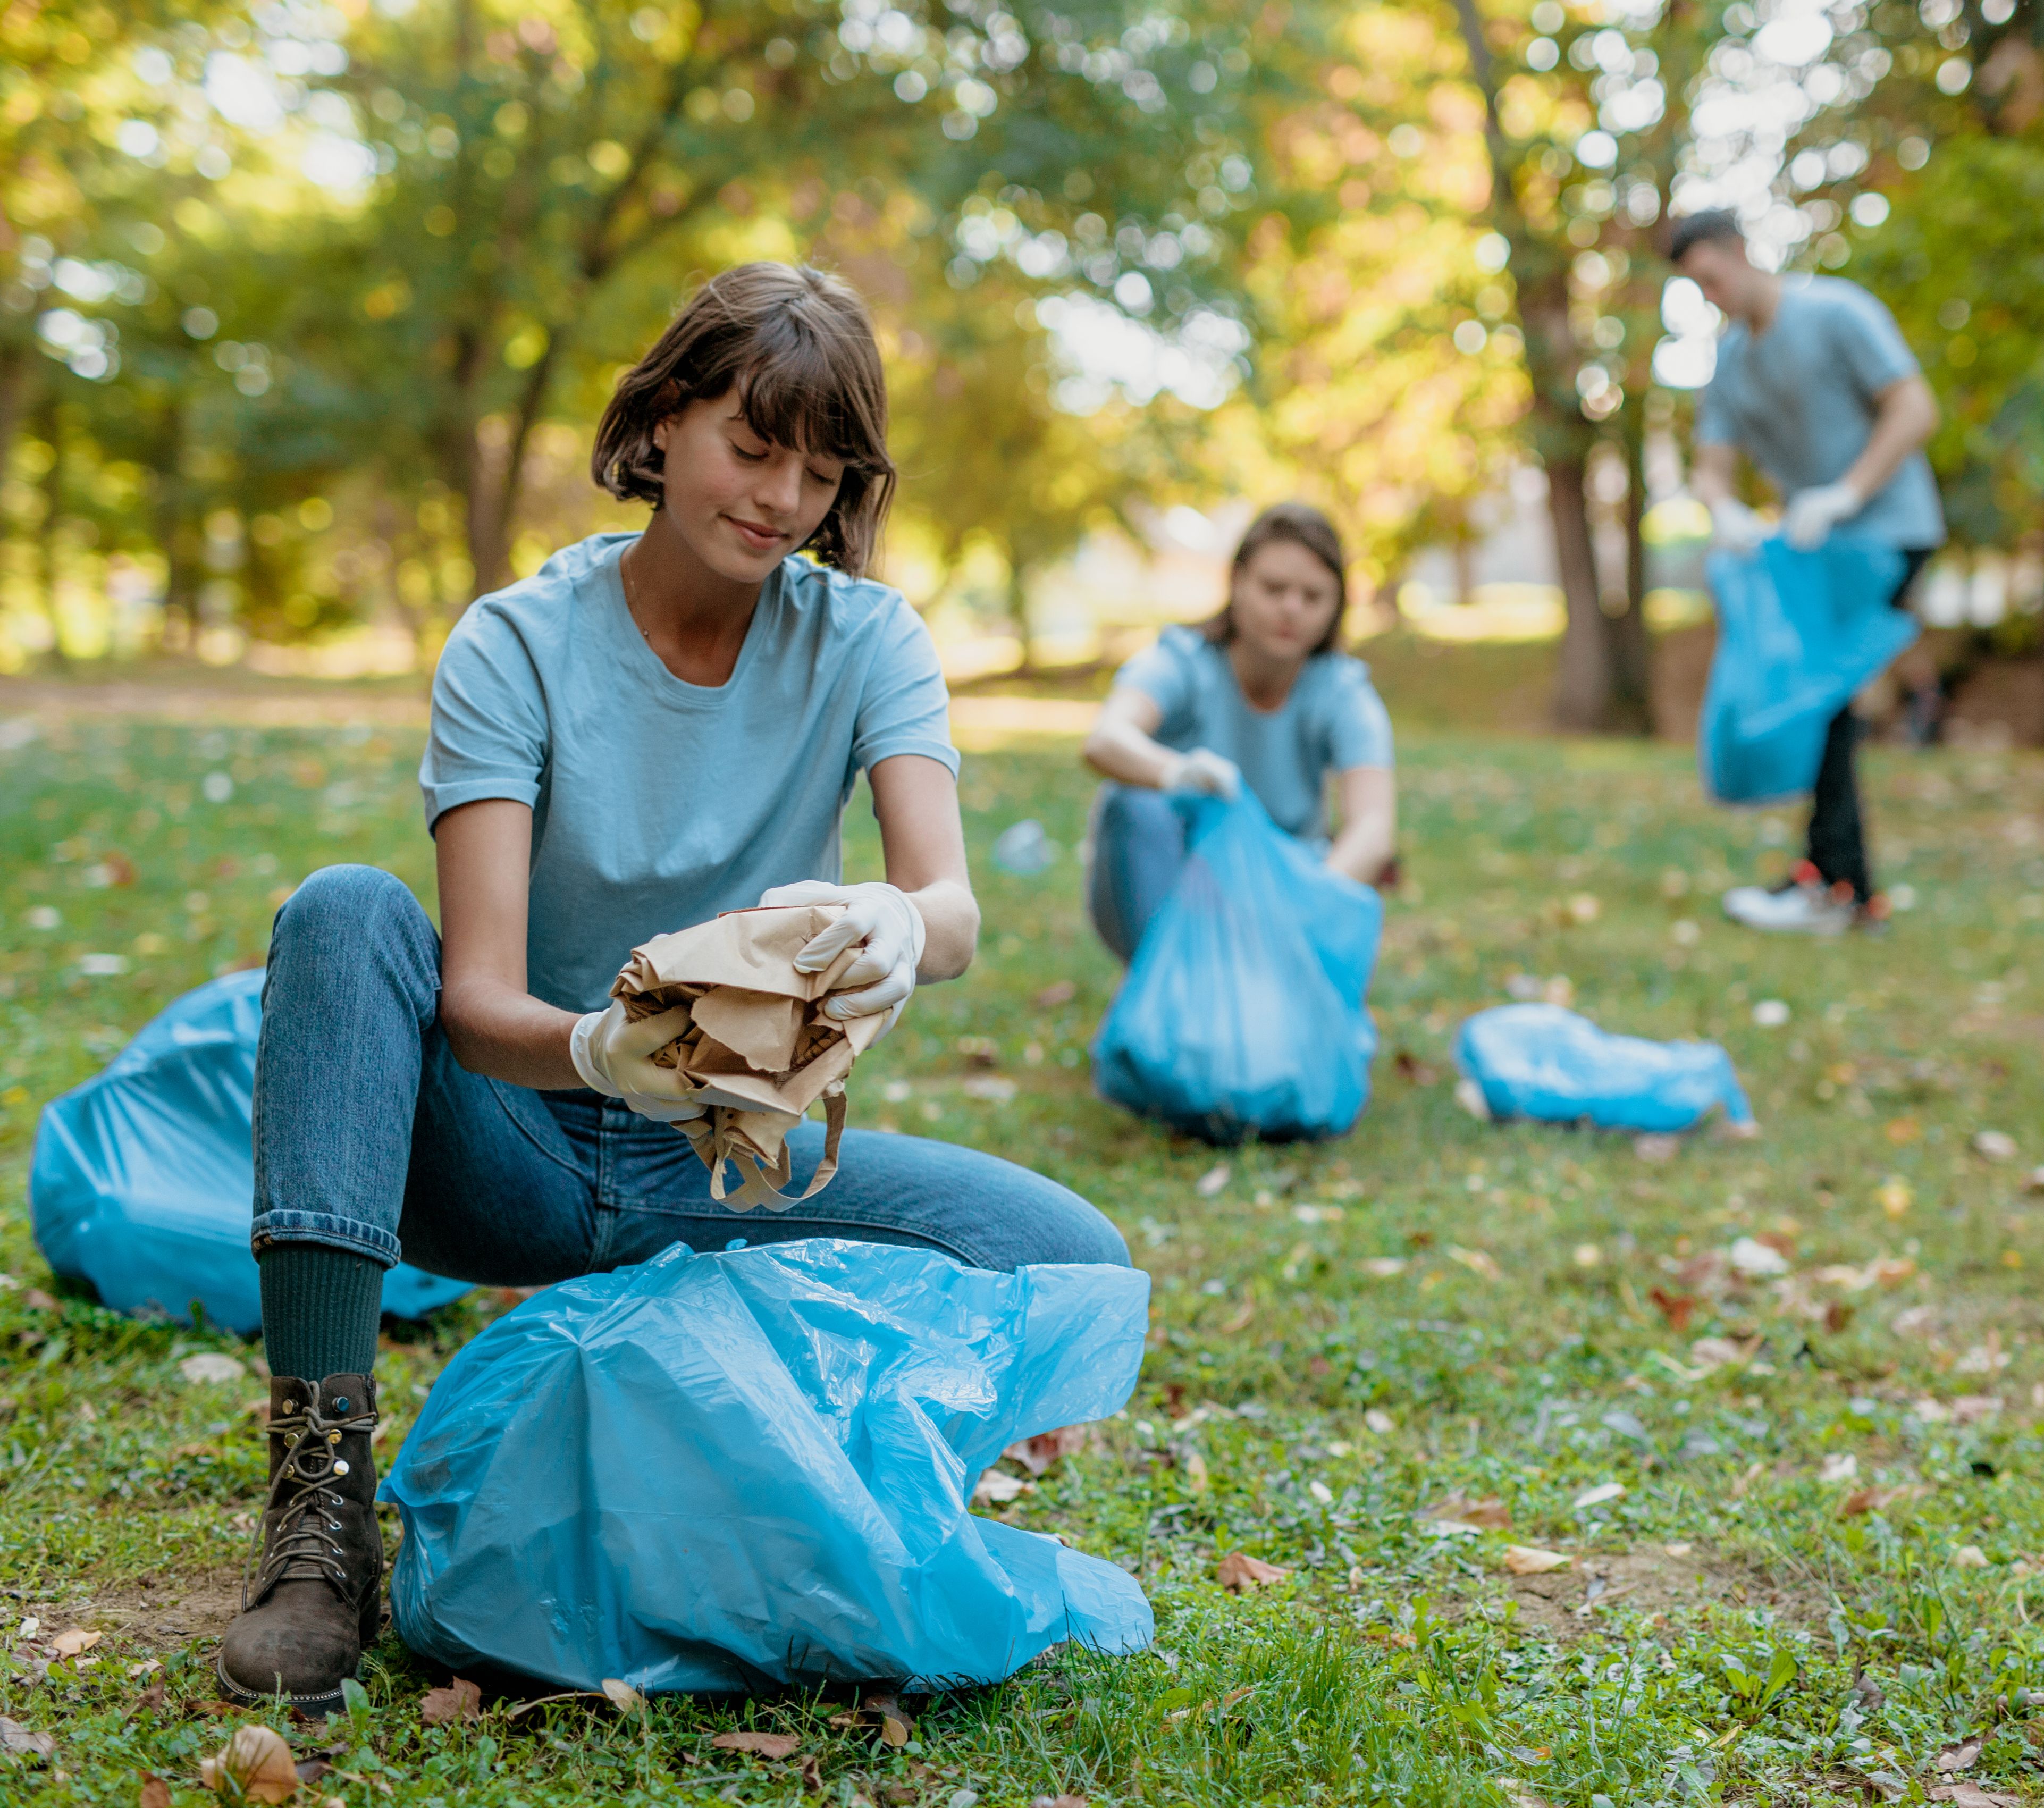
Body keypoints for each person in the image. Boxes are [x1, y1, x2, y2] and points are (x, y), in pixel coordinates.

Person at [217, 263, 1128, 1712]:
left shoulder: (864, 639)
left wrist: (901, 919)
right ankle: (319, 1519)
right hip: (508, 1146)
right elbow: (477, 999)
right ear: (659, 426)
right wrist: (598, 1048)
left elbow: (949, 907)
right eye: (750, 447)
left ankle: (813, 1443)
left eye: (821, 473)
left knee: (1068, 1253)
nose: (780, 498)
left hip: (727, 1168)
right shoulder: (516, 644)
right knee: (343, 914)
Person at [1670, 207, 1946, 935]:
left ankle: (1837, 887)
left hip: (1888, 530)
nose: (1710, 295)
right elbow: (1710, 466)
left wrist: (1848, 490)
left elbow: (1914, 408)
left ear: (1738, 252)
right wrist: (1724, 510)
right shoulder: (1731, 361)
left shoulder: (1835, 313)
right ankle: (1832, 880)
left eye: (1710, 277)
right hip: (1814, 548)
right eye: (1694, 288)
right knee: (1820, 700)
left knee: (1821, 695)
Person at [1079, 503, 1396, 960]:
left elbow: (1373, 828)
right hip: (1174, 886)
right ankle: (1165, 983)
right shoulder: (1182, 661)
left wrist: (1306, 902)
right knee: (1134, 806)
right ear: (1237, 582)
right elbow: (1106, 739)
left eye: (1313, 596)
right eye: (1274, 588)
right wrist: (1179, 772)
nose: (1291, 608)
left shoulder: (1344, 693)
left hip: (1282, 894)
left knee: (1352, 877)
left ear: (1336, 606)